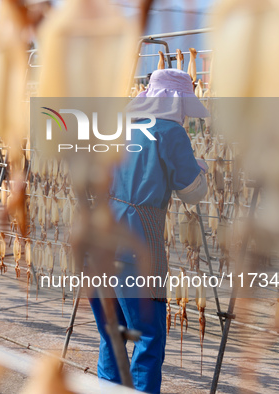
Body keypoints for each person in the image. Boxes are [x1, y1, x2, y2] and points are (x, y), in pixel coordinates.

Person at [89, 68, 209, 393]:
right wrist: (202, 168)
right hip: (137, 241)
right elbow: (193, 191)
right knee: (148, 337)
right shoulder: (171, 132)